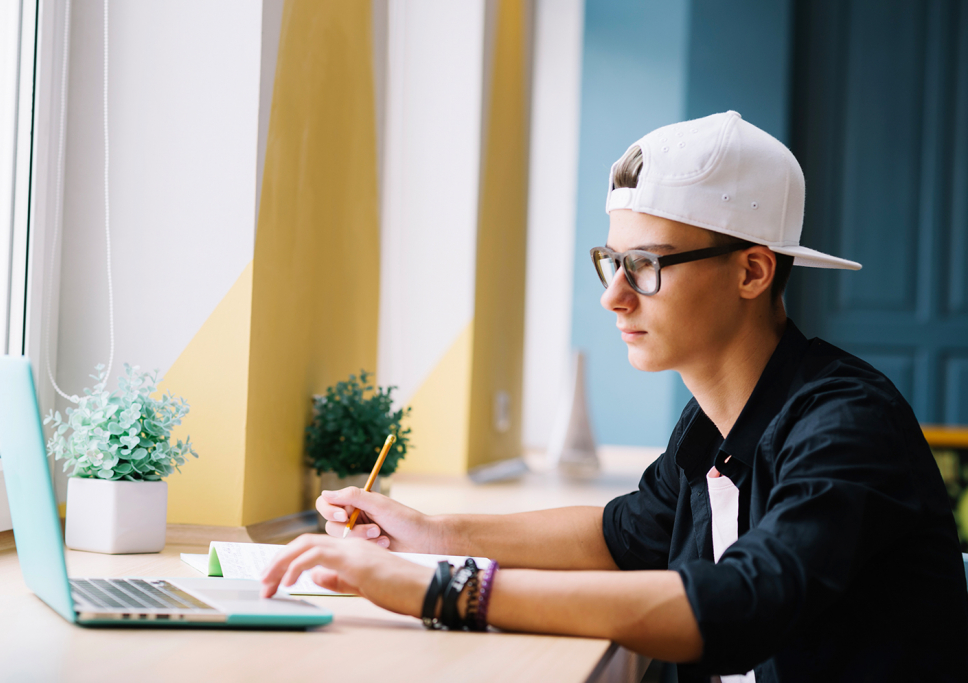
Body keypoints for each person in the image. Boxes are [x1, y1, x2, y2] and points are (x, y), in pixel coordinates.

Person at [260, 111, 968, 681]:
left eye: (647, 265)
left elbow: (745, 601)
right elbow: (624, 535)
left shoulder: (846, 424)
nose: (612, 295)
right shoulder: (713, 423)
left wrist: (440, 589)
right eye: (611, 261)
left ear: (752, 271)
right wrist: (426, 533)